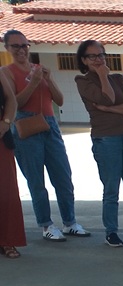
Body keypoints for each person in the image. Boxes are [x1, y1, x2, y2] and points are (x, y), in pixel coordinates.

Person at [3, 30, 89, 242]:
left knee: (63, 176)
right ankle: (46, 225)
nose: (21, 50)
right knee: (36, 180)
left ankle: (70, 222)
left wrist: (48, 81)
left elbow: (59, 100)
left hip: (49, 123)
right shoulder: (6, 72)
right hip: (25, 123)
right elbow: (15, 103)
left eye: (24, 45)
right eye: (16, 46)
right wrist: (32, 83)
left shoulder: (40, 69)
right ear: (8, 49)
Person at [75, 39, 123, 248]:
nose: (99, 59)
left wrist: (109, 110)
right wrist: (101, 75)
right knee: (111, 189)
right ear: (84, 60)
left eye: (101, 55)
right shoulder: (83, 81)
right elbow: (108, 98)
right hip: (105, 139)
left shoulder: (117, 78)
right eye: (93, 56)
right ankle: (111, 232)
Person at [0, 68, 25, 259]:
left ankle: (7, 240)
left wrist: (6, 122)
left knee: (6, 191)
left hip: (1, 137)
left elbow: (11, 99)